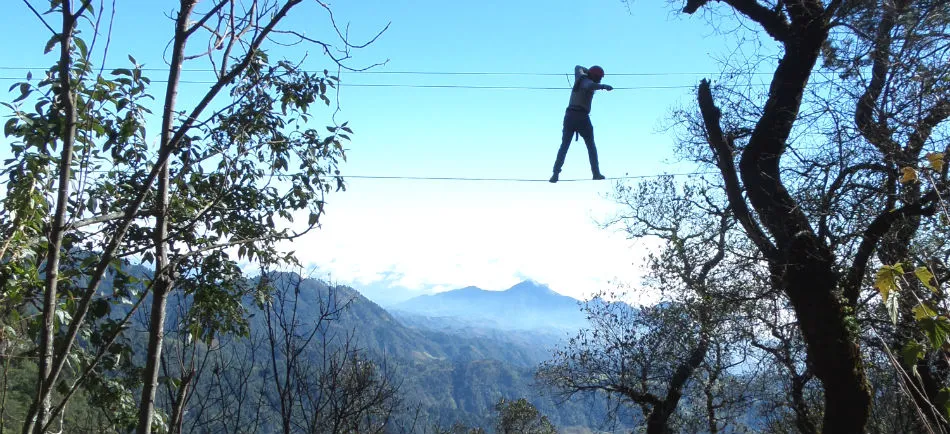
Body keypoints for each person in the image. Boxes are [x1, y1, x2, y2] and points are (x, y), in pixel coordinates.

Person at [549, 65, 613, 183]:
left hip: (570, 115)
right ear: (594, 76)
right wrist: (603, 87)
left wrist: (589, 72)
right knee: (590, 146)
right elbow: (590, 85)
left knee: (565, 146)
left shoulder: (580, 76)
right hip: (580, 117)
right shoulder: (586, 81)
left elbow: (577, 66)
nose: (600, 80)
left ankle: (555, 173)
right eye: (599, 78)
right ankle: (595, 173)